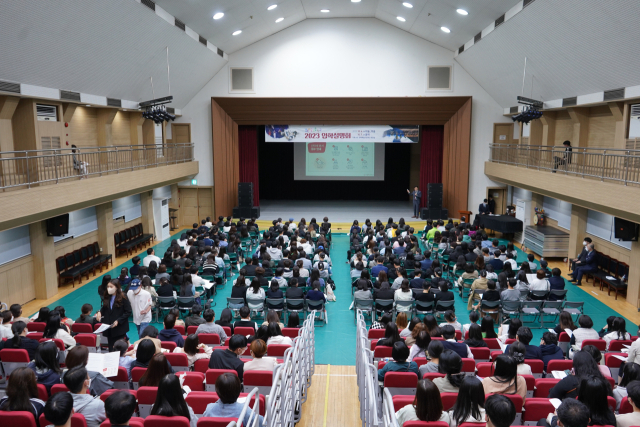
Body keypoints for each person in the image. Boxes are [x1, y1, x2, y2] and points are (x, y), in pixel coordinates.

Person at [96, 279, 132, 352]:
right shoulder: (107, 296)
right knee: (111, 349)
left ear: (116, 287)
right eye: (108, 286)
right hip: (109, 328)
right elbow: (104, 307)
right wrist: (99, 312)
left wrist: (119, 320)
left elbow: (128, 311)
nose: (109, 288)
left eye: (111, 286)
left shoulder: (123, 296)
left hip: (119, 328)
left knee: (119, 349)